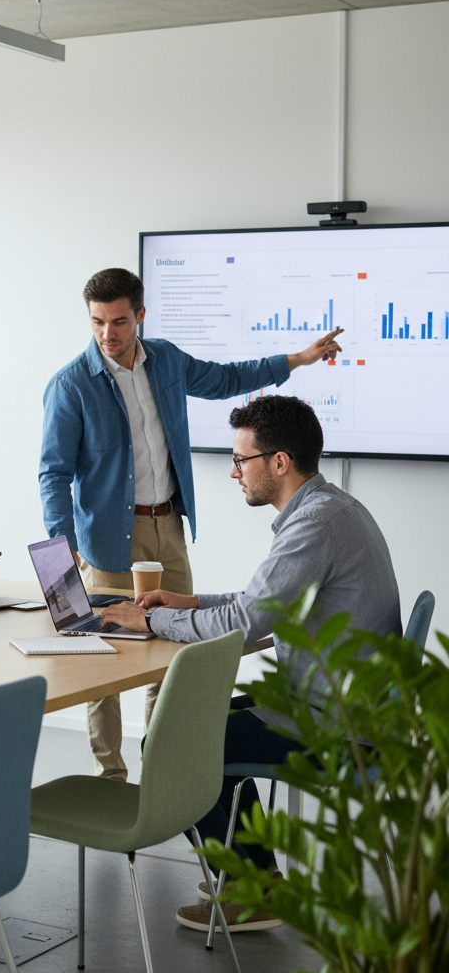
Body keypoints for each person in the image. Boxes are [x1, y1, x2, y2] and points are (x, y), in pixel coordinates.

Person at [98, 395, 401, 931]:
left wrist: (148, 622)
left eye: (242, 460)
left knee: (170, 744)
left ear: (279, 463)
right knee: (199, 728)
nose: (234, 472)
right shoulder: (328, 508)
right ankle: (255, 877)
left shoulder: (315, 525)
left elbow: (244, 625)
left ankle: (251, 887)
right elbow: (263, 602)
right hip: (344, 704)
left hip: (336, 722)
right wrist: (190, 604)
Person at [39, 266, 345, 782]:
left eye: (117, 322)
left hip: (168, 528)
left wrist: (297, 359)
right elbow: (54, 473)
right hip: (107, 538)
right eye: (96, 323)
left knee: (175, 646)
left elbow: (228, 378)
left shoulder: (167, 361)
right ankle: (110, 777)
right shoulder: (70, 385)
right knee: (106, 657)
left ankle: (163, 767)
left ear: (139, 316)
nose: (107, 335)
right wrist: (60, 544)